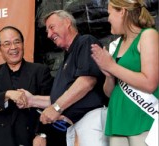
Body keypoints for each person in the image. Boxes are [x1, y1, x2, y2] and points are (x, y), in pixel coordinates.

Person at [20, 10, 108, 146]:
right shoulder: (66, 58)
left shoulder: (85, 42)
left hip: (91, 119)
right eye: (47, 31)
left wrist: (56, 108)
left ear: (67, 22)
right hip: (74, 126)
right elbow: (58, 97)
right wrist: (31, 100)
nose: (49, 35)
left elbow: (87, 81)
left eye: (52, 27)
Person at [91, 0, 158, 146]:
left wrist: (112, 67)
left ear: (122, 11)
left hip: (142, 119)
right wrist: (108, 74)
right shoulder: (116, 44)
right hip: (117, 121)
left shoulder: (148, 35)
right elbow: (109, 92)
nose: (108, 18)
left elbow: (150, 83)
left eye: (109, 13)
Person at [0, 26, 53, 146]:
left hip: (32, 139)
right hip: (2, 140)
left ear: (23, 44)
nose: (13, 47)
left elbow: (51, 104)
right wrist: (8, 94)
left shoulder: (39, 71)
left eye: (17, 42)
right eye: (7, 44)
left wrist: (42, 134)